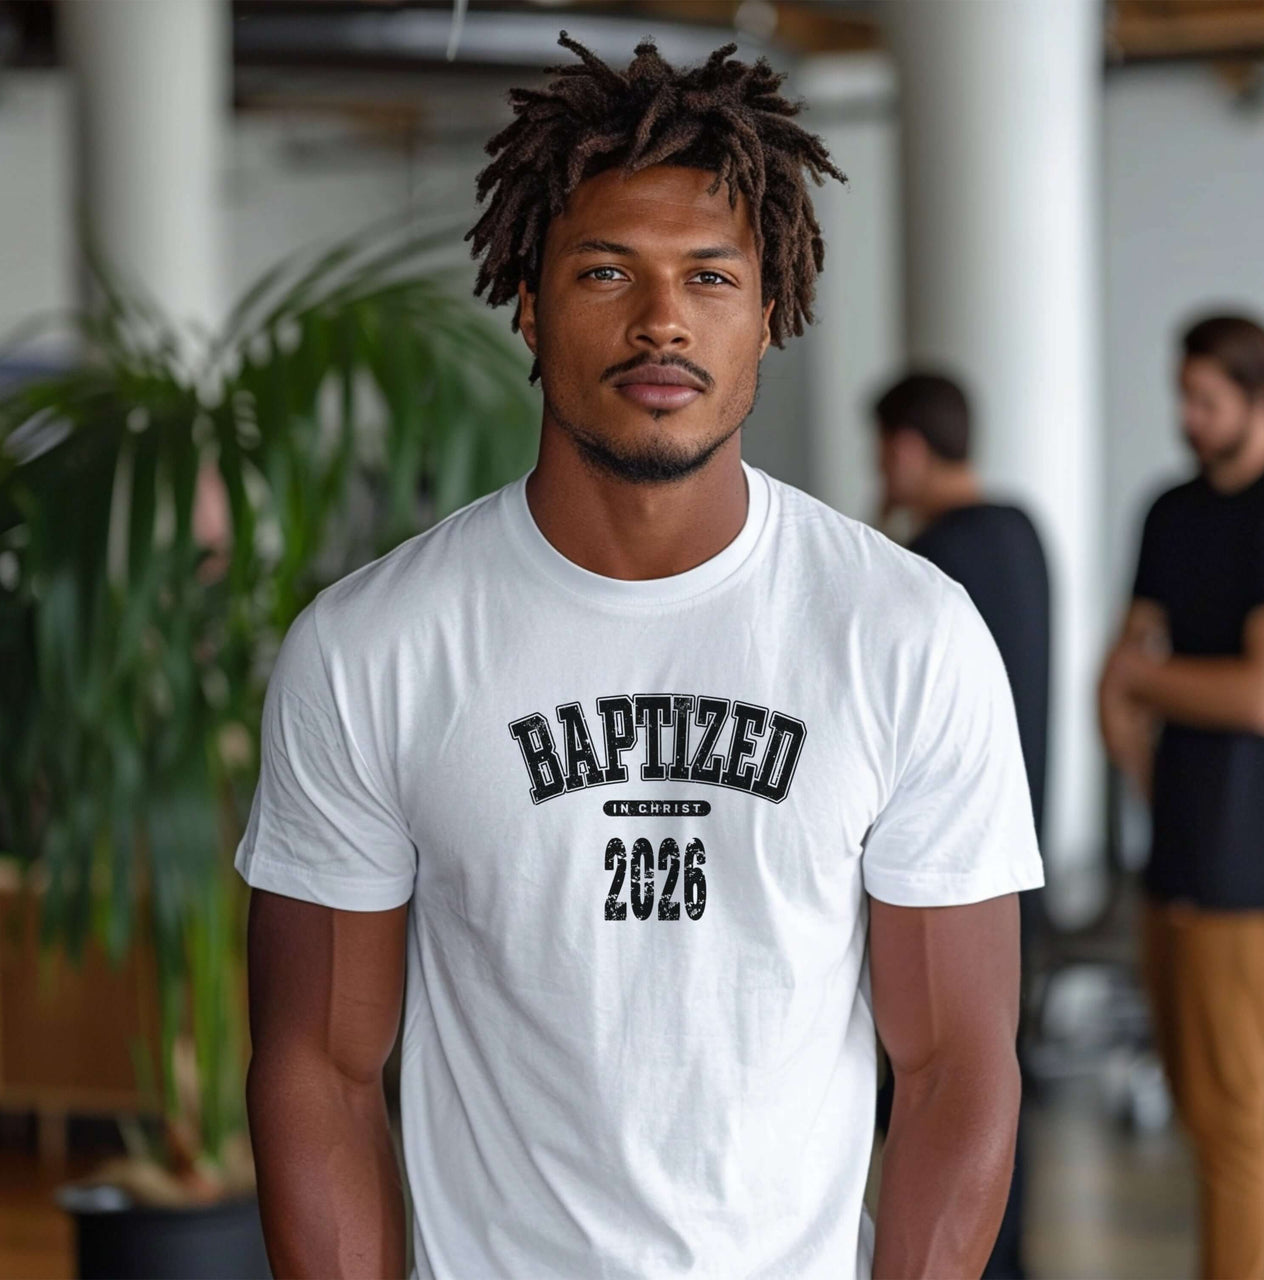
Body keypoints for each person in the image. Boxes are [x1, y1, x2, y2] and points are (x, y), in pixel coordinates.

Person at [237, 34, 1044, 1280]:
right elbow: (315, 1071)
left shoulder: (903, 634)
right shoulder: (372, 649)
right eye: (607, 270)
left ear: (769, 309)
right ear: (526, 296)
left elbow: (954, 1067)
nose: (662, 319)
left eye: (709, 278)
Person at [1099, 313, 1264, 1280]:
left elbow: (1261, 695)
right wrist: (1147, 740)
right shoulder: (1170, 510)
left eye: (1208, 400)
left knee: (1236, 1125)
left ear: (1259, 396)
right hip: (1175, 842)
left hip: (1246, 865)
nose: (1189, 418)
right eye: (1184, 396)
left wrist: (1149, 684)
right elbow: (1112, 682)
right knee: (1204, 1111)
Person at [871, 371, 1050, 1280]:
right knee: (994, 1081)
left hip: (939, 873)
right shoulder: (1021, 533)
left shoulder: (926, 575)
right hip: (1020, 859)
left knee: (943, 1090)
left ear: (905, 448)